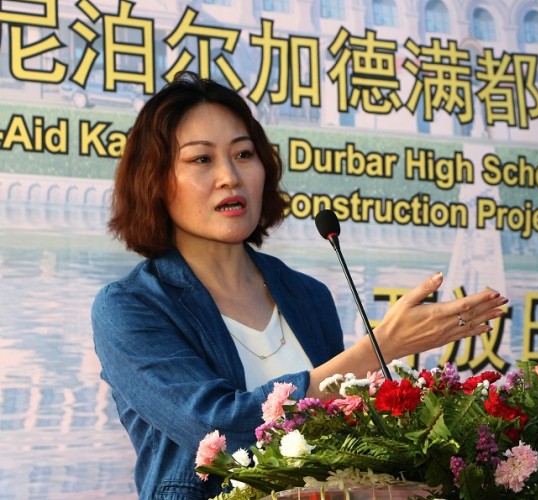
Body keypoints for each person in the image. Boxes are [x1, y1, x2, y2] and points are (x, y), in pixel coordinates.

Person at [91, 72, 508, 500]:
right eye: (201, 159)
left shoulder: (307, 296)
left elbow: (336, 441)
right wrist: (379, 348)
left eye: (243, 154)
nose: (230, 176)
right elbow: (218, 430)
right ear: (155, 180)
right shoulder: (130, 307)